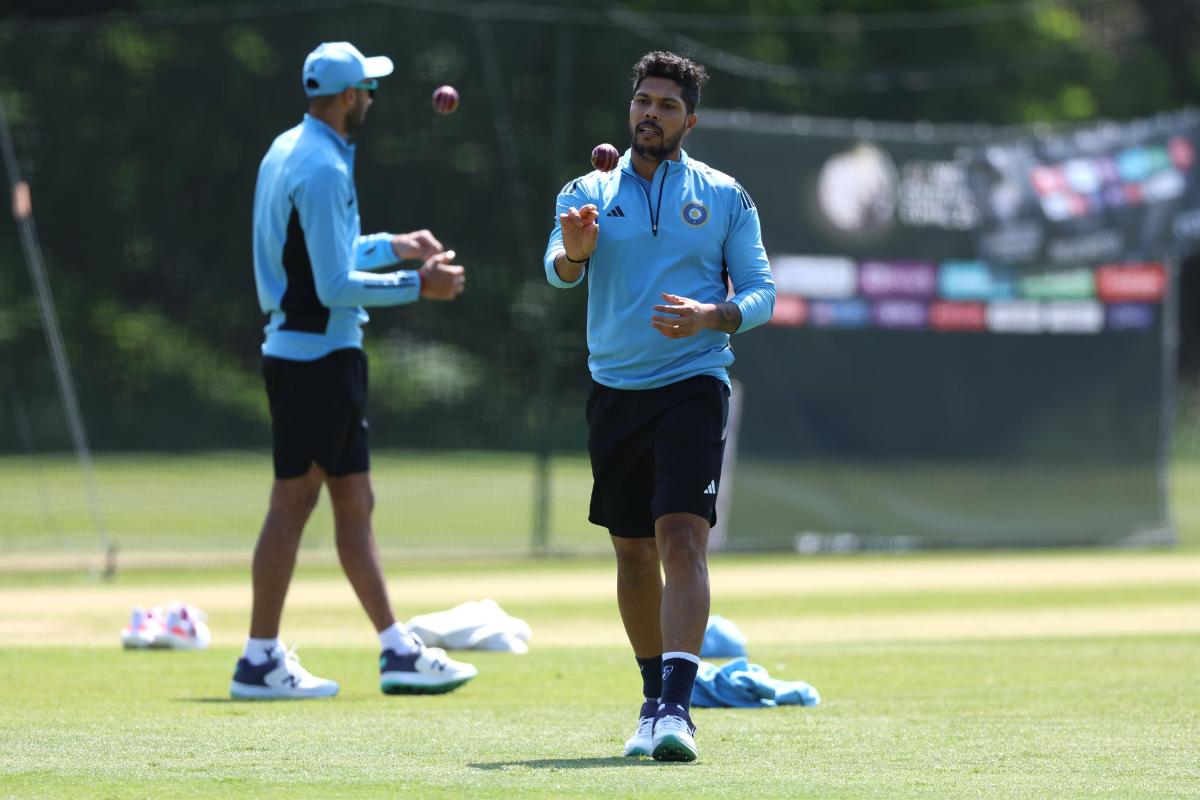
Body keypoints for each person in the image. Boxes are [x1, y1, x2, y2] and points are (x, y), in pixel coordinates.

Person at [543, 51, 775, 761]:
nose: (651, 113)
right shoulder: (584, 190)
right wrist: (575, 251)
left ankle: (677, 708)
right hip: (615, 390)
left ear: (690, 120)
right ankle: (652, 698)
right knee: (633, 553)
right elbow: (556, 268)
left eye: (667, 105)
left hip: (694, 381)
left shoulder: (725, 196)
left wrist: (712, 316)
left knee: (681, 537)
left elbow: (763, 292)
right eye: (643, 101)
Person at [231, 41, 476, 700]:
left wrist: (396, 247)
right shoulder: (322, 167)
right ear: (347, 98)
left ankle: (396, 649)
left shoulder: (295, 148)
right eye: (366, 87)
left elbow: (322, 257)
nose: (371, 96)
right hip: (313, 357)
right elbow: (336, 284)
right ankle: (258, 660)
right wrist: (418, 285)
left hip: (324, 354)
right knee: (292, 507)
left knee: (354, 505)